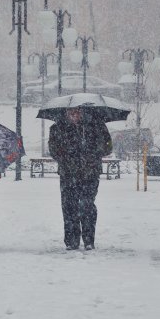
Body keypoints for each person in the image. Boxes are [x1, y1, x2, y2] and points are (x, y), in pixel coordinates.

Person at [47, 107, 112, 250]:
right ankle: (71, 241)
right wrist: (68, 153)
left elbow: (108, 147)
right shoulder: (57, 128)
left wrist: (91, 150)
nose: (74, 114)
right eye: (71, 112)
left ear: (83, 112)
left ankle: (89, 240)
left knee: (87, 206)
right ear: (66, 113)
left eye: (77, 111)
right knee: (69, 207)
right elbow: (53, 150)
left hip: (90, 173)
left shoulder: (97, 126)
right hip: (68, 174)